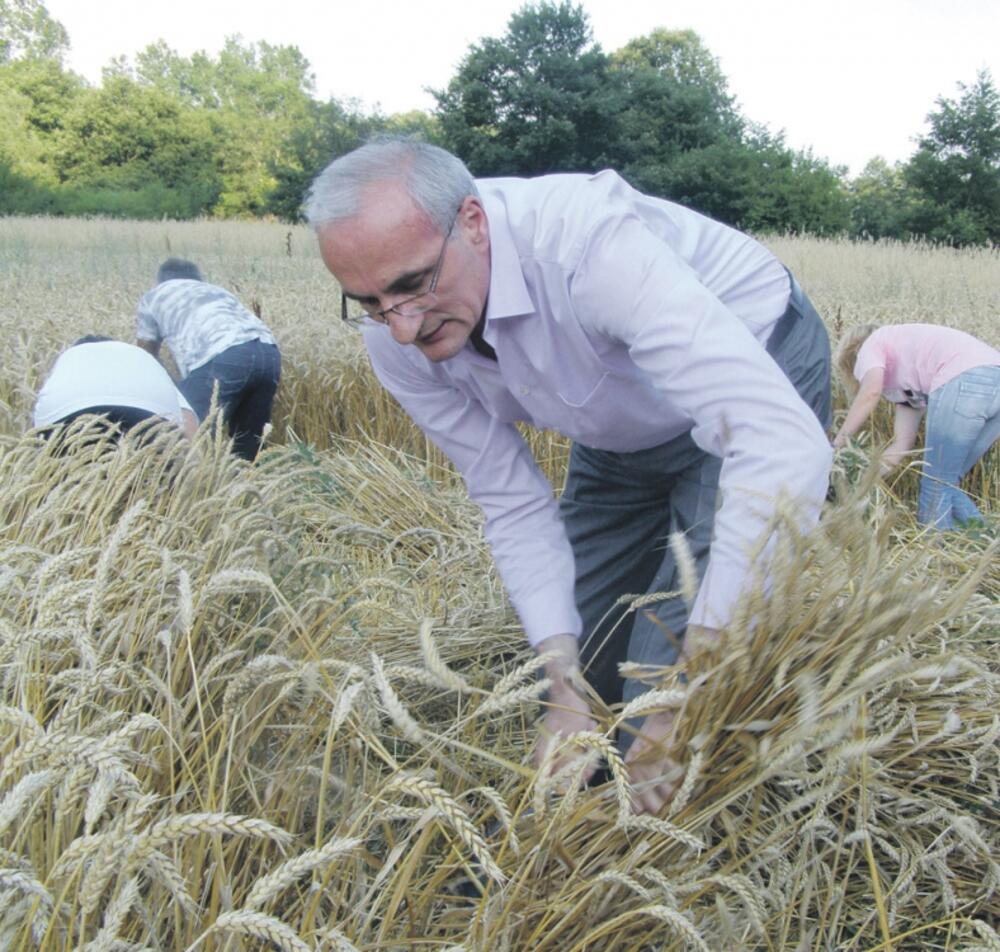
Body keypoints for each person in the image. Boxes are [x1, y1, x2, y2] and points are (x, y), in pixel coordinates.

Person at [306, 138, 833, 814]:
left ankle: (662, 858)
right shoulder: (394, 336)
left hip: (752, 371)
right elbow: (512, 501)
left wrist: (689, 691)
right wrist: (563, 689)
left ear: (472, 222)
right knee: (580, 653)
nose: (402, 328)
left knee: (660, 686)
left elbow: (779, 442)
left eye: (414, 285)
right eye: (370, 302)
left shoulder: (586, 246)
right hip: (610, 413)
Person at [833, 323, 1000, 528]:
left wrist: (836, 446)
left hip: (964, 378)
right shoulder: (909, 390)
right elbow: (901, 445)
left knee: (935, 483)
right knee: (946, 481)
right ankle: (987, 542)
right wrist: (862, 478)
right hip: (995, 378)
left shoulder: (869, 345)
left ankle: (934, 554)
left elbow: (870, 392)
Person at [136, 258, 281, 461]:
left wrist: (172, 389)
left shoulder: (153, 296)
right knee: (248, 444)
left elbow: (145, 356)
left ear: (160, 281)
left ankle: (191, 489)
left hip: (223, 354)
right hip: (269, 351)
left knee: (183, 434)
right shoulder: (216, 291)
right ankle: (248, 487)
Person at [34, 336, 198, 439]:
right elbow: (187, 420)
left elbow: (37, 427)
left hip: (66, 416)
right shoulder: (142, 360)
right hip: (148, 416)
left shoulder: (68, 361)